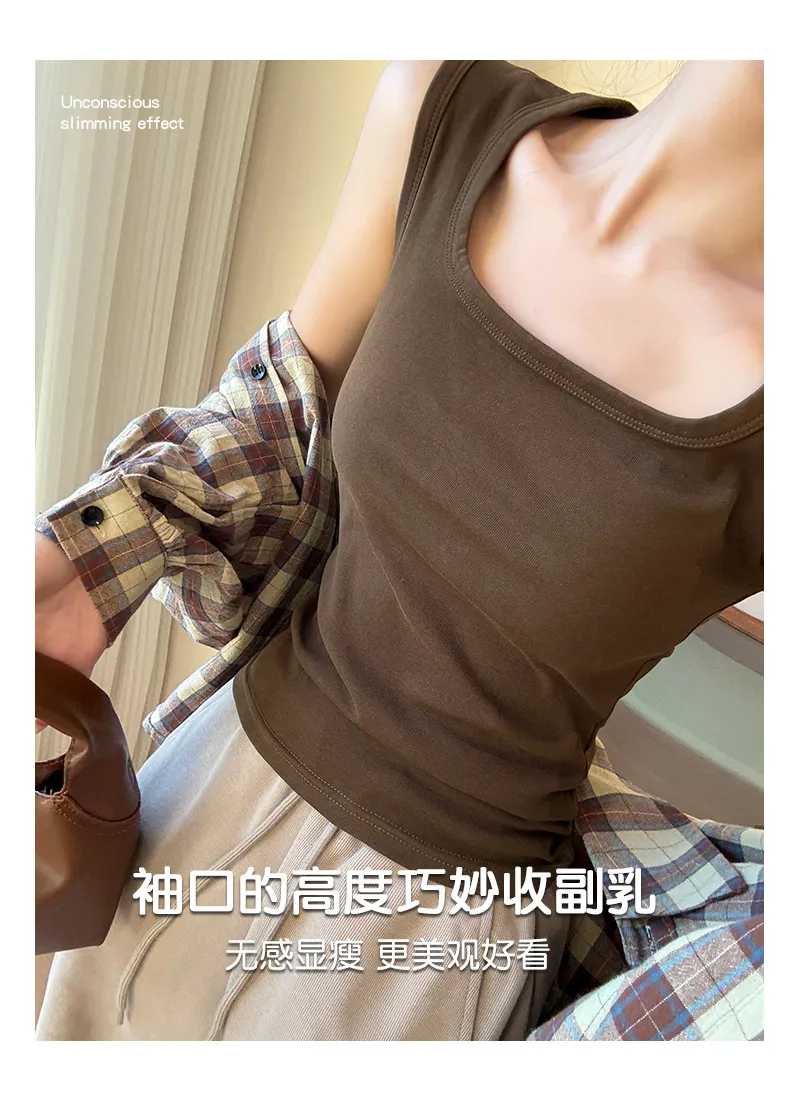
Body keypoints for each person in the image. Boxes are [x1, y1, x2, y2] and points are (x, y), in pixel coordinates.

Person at [35, 59, 763, 1041]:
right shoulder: (442, 116)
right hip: (193, 805)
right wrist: (85, 559)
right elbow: (281, 421)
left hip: (423, 958)